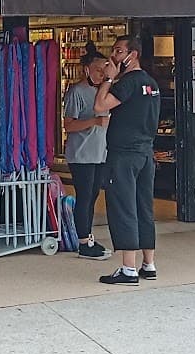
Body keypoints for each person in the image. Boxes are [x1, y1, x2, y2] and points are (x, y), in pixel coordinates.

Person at [94, 35, 162, 285]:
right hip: (146, 153)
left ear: (132, 55)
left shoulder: (128, 83)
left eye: (119, 51)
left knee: (123, 207)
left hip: (123, 154)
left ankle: (128, 268)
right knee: (144, 206)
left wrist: (108, 79)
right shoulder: (152, 84)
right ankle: (149, 263)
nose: (114, 56)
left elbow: (100, 106)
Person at [62, 53, 110, 259]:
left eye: (104, 70)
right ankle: (83, 241)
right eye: (98, 70)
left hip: (100, 153)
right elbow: (68, 124)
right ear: (87, 69)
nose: (101, 74)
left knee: (93, 197)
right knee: (84, 197)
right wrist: (94, 121)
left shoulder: (105, 92)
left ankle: (88, 237)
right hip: (81, 154)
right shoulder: (77, 92)